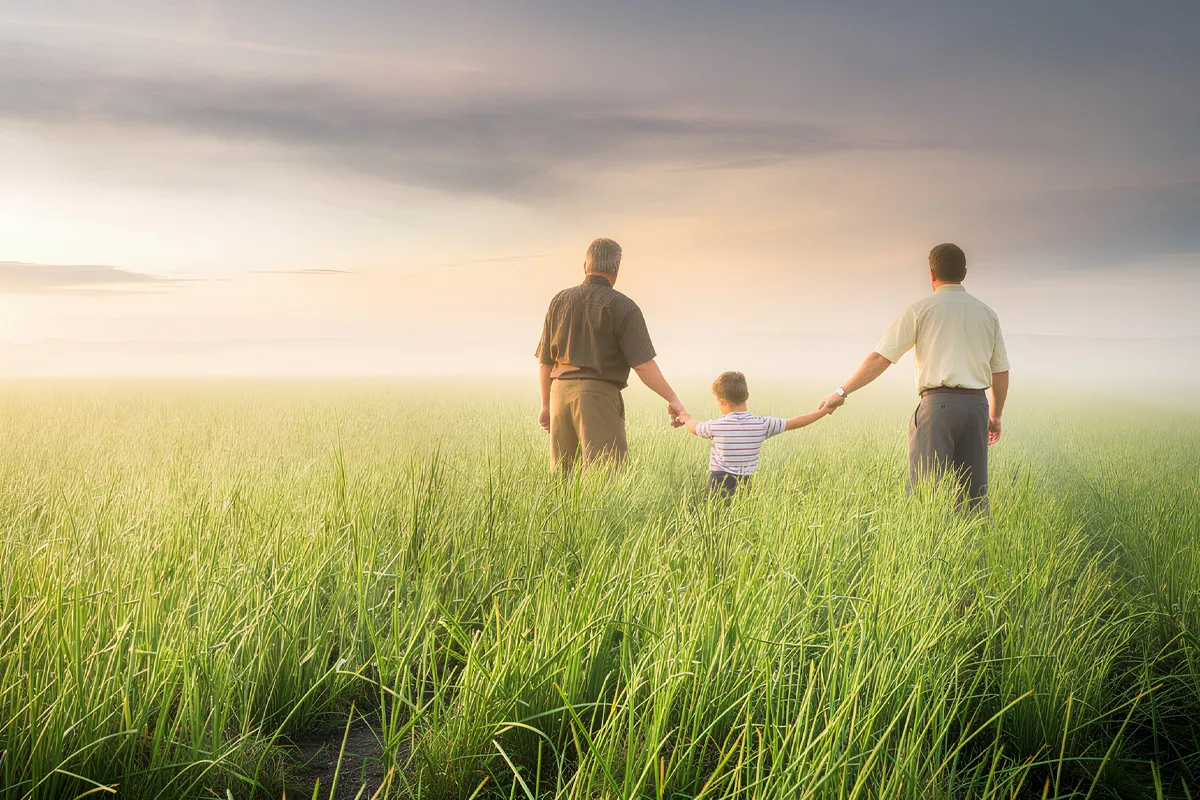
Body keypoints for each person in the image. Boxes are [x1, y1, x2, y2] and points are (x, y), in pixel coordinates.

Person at [819, 243, 1010, 512]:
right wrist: (996, 415)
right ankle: (975, 551)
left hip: (938, 407)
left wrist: (841, 393)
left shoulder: (920, 310)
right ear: (964, 273)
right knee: (974, 500)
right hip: (977, 407)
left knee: (925, 496)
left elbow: (880, 358)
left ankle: (929, 549)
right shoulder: (988, 314)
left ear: (931, 273)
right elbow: (1000, 371)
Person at [535, 238, 688, 472]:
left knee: (563, 480)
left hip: (558, 394)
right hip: (597, 396)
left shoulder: (559, 301)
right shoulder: (623, 307)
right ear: (616, 269)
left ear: (585, 266)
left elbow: (545, 361)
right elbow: (644, 365)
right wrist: (673, 399)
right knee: (604, 476)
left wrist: (546, 405)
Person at [678, 371, 832, 498]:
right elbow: (794, 422)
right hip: (746, 483)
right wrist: (823, 412)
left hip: (719, 481)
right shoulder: (761, 424)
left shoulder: (716, 426)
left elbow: (695, 427)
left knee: (717, 524)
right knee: (742, 521)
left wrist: (685, 417)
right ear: (746, 395)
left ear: (722, 401)